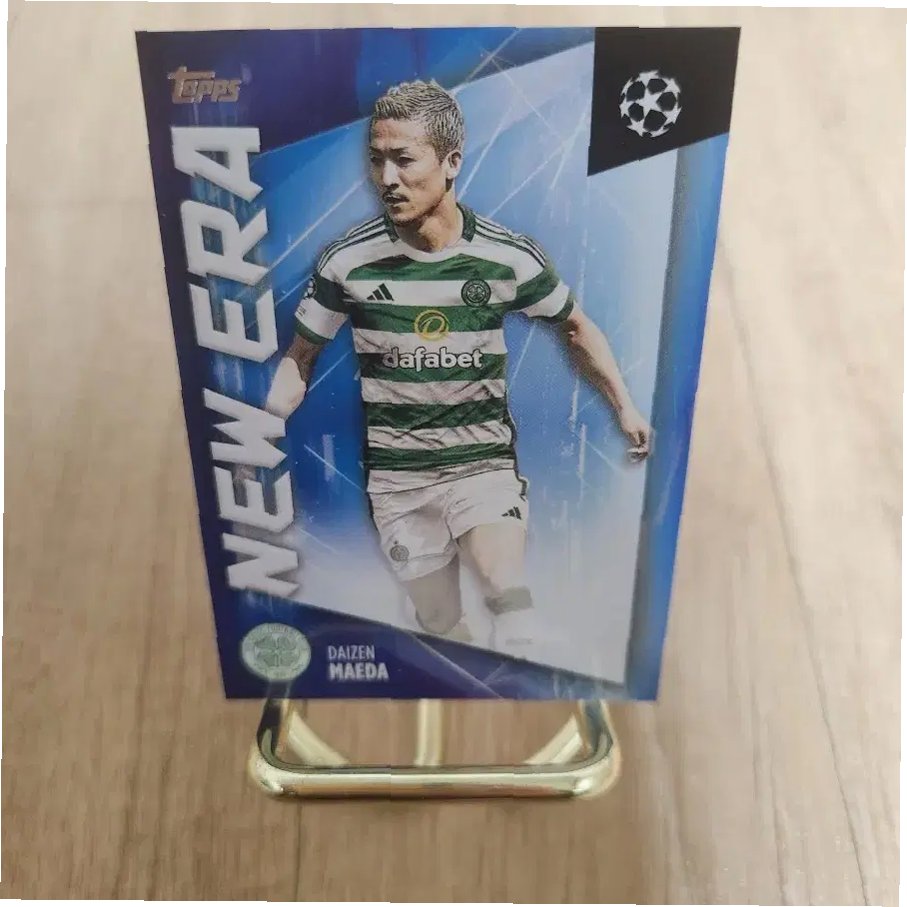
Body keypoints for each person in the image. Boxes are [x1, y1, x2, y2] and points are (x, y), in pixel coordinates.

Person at [265, 80, 650, 657]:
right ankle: (462, 655)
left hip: (480, 461)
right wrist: (262, 427)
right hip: (397, 480)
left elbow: (576, 327)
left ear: (451, 163)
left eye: (404, 159)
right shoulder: (346, 261)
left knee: (504, 587)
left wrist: (625, 407)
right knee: (441, 621)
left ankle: (521, 632)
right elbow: (301, 357)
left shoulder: (507, 256)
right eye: (376, 159)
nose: (387, 178)